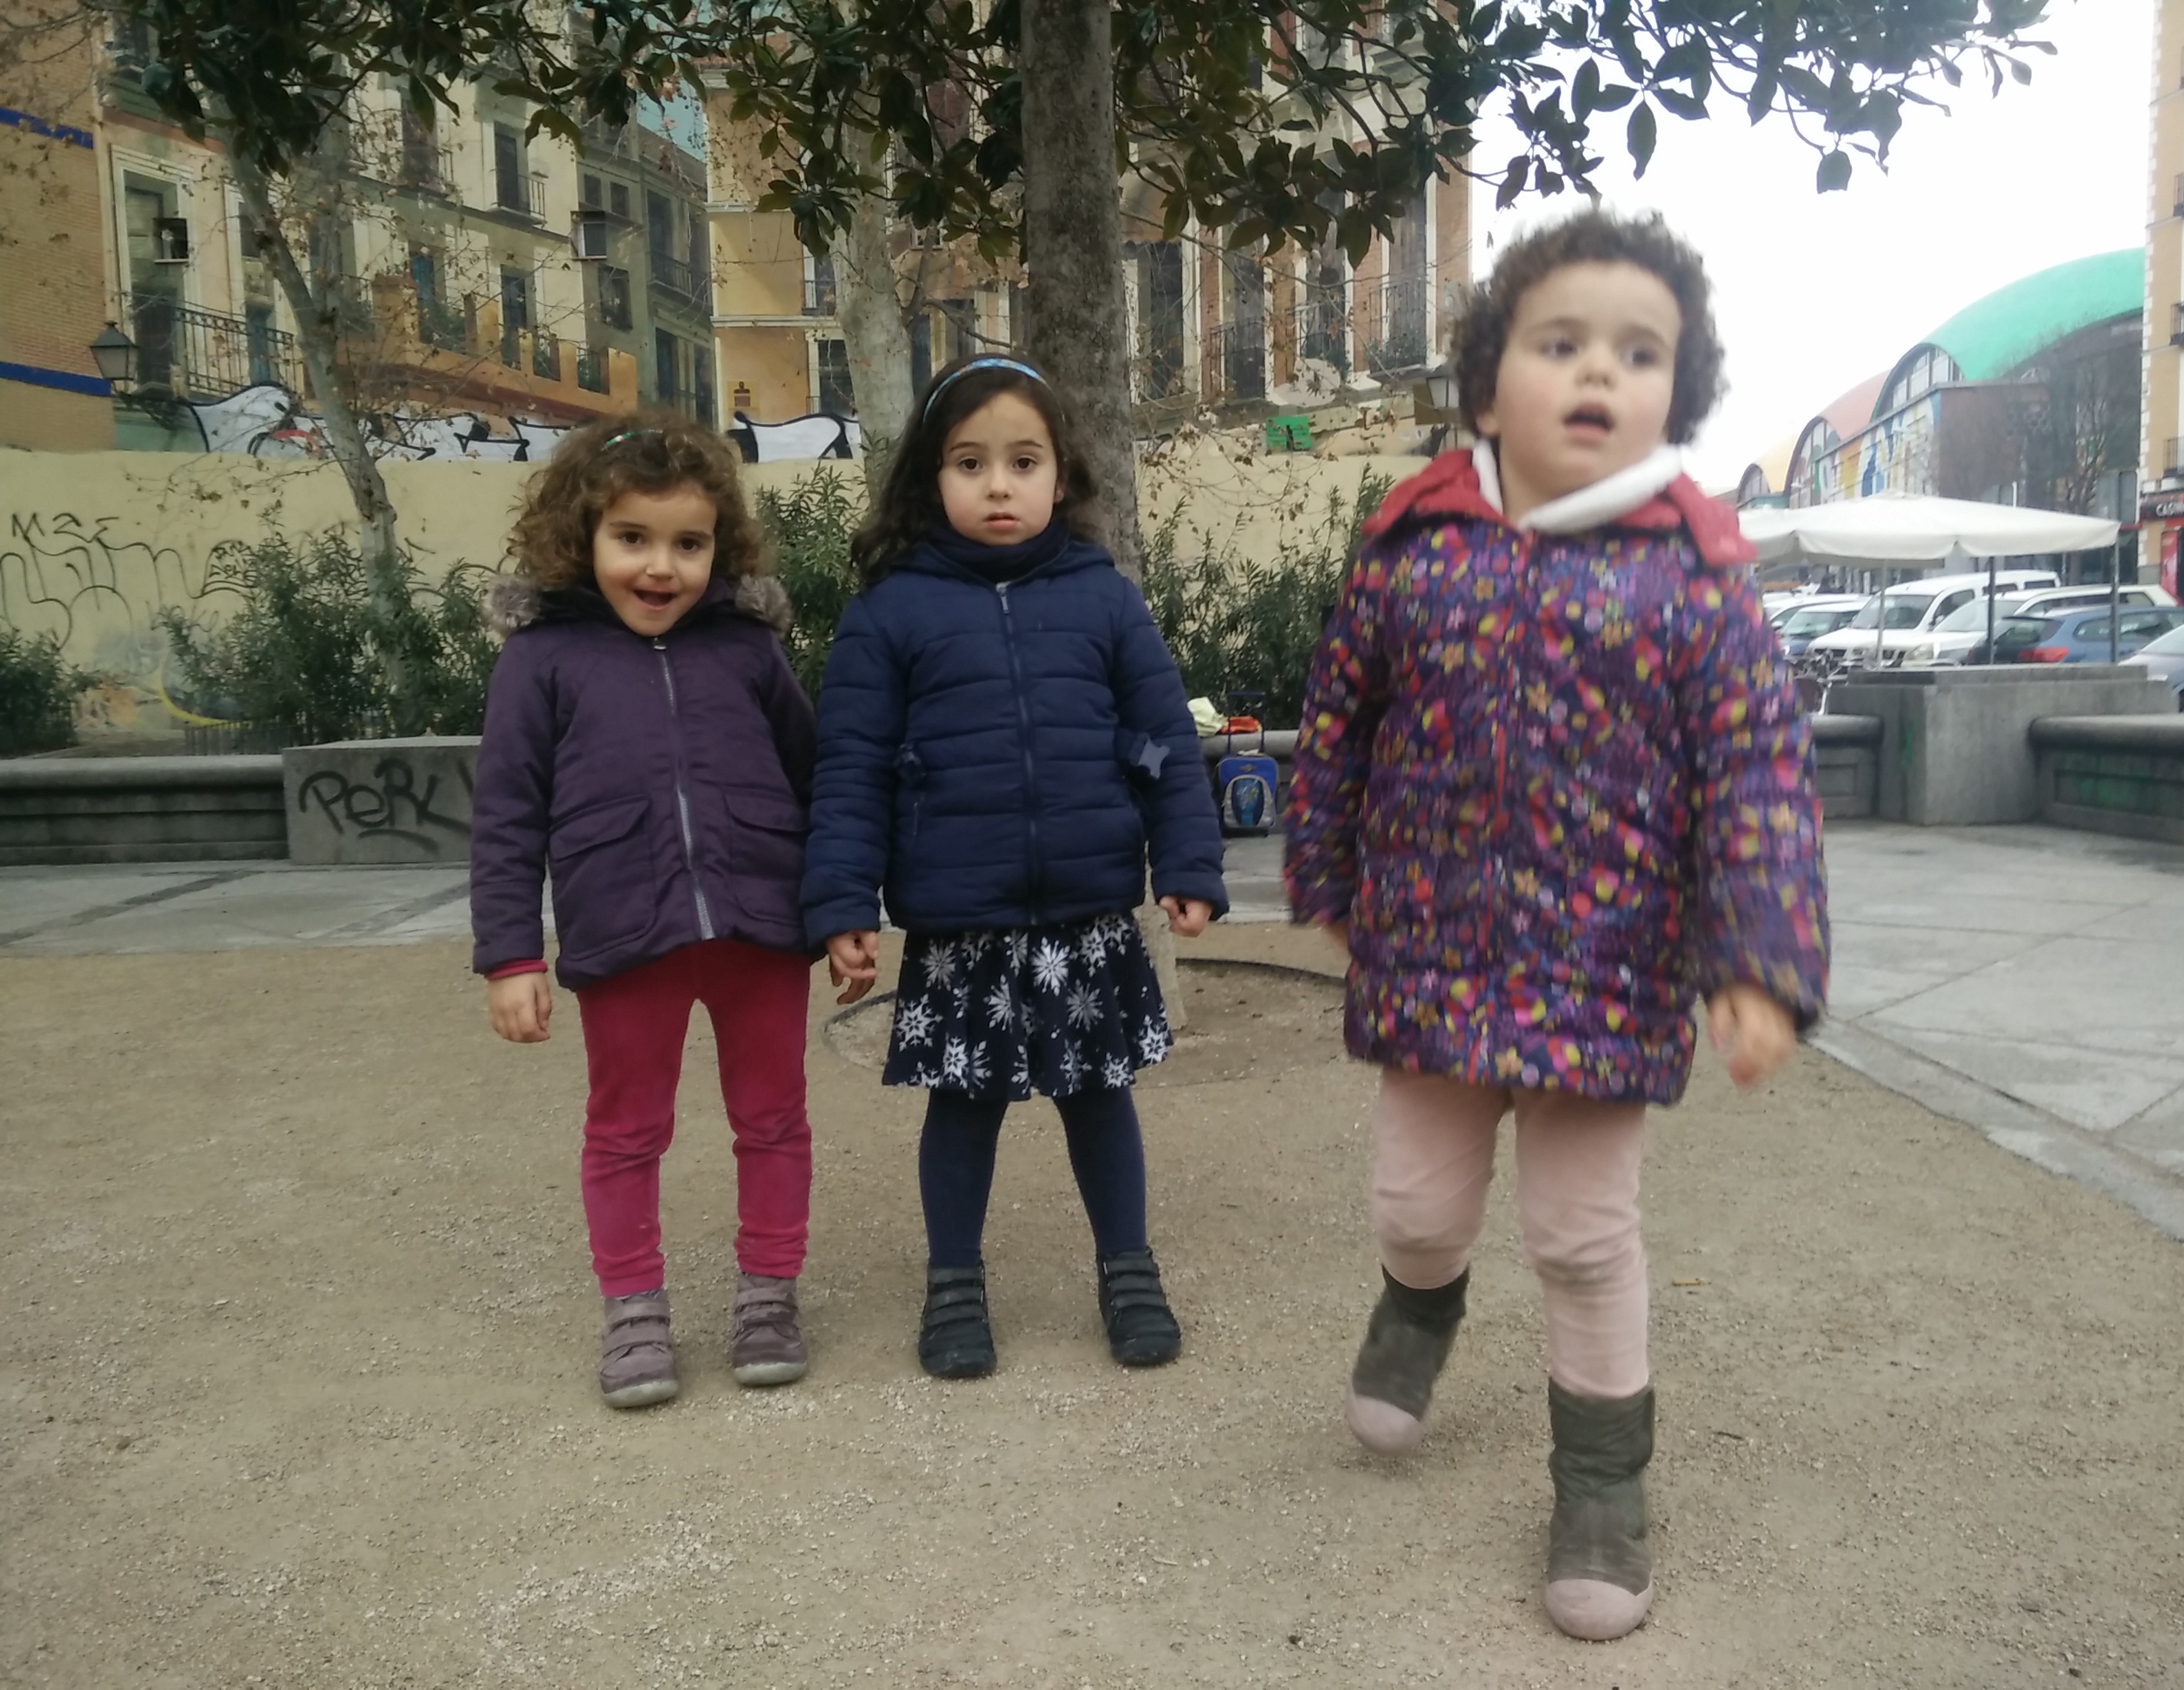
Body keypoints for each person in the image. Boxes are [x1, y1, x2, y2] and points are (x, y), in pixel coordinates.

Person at [1284, 209, 1828, 1640]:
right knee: (1416, 1204)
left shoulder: (1699, 581)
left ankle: (1599, 1484)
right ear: (1486, 386)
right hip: (1430, 954)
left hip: (1606, 971)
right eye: (1562, 341)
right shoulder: (1411, 551)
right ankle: (1420, 1300)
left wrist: (1760, 961)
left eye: (1639, 352)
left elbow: (1759, 777)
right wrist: (1324, 875)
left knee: (1583, 1239)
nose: (1599, 370)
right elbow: (1338, 720)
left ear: (1675, 394)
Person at [802, 356, 1227, 1380]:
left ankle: (1128, 1270)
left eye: (1023, 462)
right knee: (964, 1104)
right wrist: (842, 902)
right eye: (970, 463)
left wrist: (1188, 860)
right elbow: (850, 766)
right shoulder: (889, 613)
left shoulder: (1105, 600)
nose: (999, 485)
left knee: (1100, 1094)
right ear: (930, 478)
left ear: (1061, 475)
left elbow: (1164, 739)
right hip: (961, 917)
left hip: (1088, 907)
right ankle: (954, 1284)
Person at [471, 411, 819, 1411]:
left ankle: (768, 1298)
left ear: (720, 547)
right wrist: (510, 956)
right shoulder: (540, 659)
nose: (661, 567)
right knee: (626, 1130)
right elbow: (506, 815)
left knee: (774, 1119)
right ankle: (634, 1313)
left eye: (689, 543)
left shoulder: (749, 649)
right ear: (581, 536)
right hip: (624, 931)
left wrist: (842, 908)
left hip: (762, 927)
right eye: (633, 538)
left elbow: (815, 779)